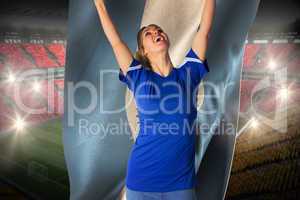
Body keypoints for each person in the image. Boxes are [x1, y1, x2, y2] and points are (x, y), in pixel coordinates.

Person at [94, 0, 215, 199]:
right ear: (143, 50)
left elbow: (204, 31)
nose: (155, 33)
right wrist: (99, 4)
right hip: (140, 182)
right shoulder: (138, 76)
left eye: (158, 30)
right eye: (148, 34)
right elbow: (115, 41)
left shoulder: (189, 73)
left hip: (181, 184)